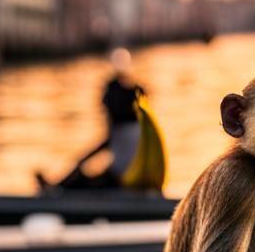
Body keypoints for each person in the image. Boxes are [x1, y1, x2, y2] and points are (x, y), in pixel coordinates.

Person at [39, 48, 165, 193]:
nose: (102, 106)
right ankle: (56, 187)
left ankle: (55, 190)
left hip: (122, 183)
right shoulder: (134, 126)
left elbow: (104, 148)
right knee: (85, 176)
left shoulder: (126, 128)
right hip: (120, 178)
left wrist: (80, 161)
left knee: (81, 181)